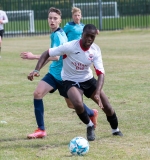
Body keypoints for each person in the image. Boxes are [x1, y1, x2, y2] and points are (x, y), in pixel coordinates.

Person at [28, 24, 123, 141]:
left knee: (107, 106)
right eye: (87, 36)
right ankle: (89, 125)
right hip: (70, 80)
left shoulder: (95, 50)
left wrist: (97, 92)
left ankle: (115, 130)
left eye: (92, 37)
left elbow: (100, 74)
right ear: (82, 34)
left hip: (88, 80)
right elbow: (47, 53)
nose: (89, 39)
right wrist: (37, 69)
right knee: (77, 103)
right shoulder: (70, 46)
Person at [20, 7, 98, 139]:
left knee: (71, 104)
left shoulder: (58, 35)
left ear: (60, 20)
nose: (52, 20)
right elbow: (50, 56)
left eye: (55, 18)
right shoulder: (58, 33)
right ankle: (41, 130)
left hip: (63, 76)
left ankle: (91, 112)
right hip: (53, 73)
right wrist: (37, 70)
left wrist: (33, 56)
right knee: (38, 93)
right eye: (50, 18)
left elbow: (55, 57)